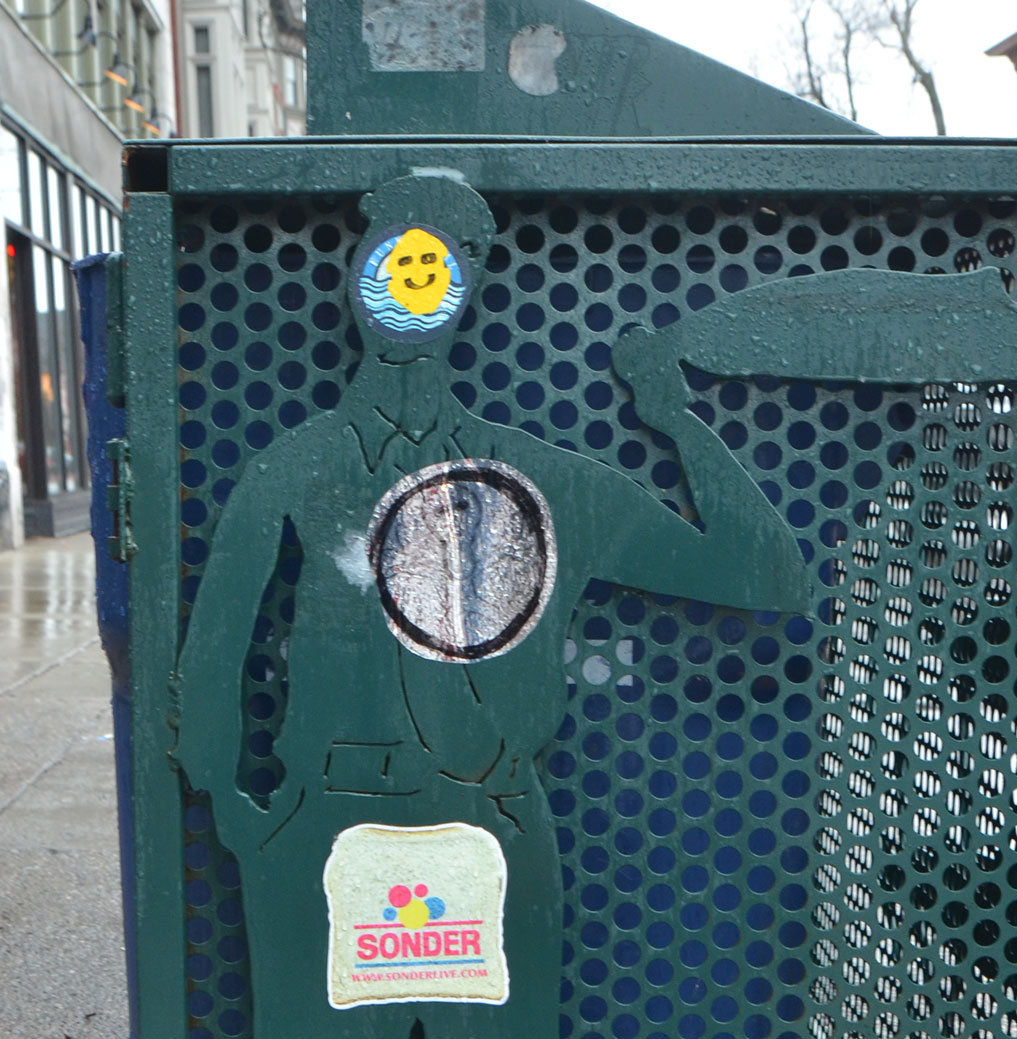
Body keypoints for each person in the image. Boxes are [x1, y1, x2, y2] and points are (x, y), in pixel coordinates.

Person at [173, 174, 809, 1039]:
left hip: (486, 820)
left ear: (468, 285)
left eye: (437, 264)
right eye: (396, 258)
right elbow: (214, 650)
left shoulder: (539, 480)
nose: (413, 280)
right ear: (361, 273)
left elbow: (763, 573)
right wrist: (239, 812)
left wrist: (677, 420)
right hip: (324, 820)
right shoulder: (297, 468)